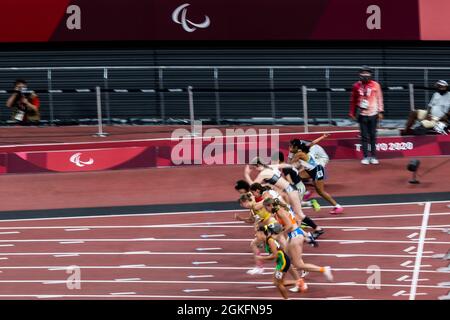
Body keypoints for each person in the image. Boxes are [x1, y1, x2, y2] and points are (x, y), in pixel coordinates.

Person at [263, 198, 333, 284]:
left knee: (299, 265)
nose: (266, 210)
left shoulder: (280, 212)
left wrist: (279, 234)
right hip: (294, 235)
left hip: (294, 236)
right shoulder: (280, 211)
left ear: (270, 205)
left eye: (266, 208)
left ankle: (324, 270)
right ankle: (296, 281)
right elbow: (297, 221)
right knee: (287, 259)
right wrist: (305, 236)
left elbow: (289, 226)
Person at [289, 136, 344, 215]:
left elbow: (289, 165)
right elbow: (313, 142)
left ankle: (338, 206)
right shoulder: (304, 148)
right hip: (309, 170)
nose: (289, 148)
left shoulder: (299, 154)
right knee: (296, 177)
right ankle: (305, 193)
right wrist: (323, 136)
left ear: (296, 147)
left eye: (291, 146)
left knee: (320, 191)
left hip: (317, 170)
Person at [255, 224, 307, 299]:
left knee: (279, 284)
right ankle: (297, 282)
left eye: (257, 233)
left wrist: (262, 258)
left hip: (283, 262)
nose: (255, 235)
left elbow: (275, 256)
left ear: (261, 233)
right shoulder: (266, 240)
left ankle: (287, 297)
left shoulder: (270, 240)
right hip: (281, 262)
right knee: (276, 282)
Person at [349, 66, 384, 165]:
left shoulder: (376, 85)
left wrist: (380, 111)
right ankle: (365, 156)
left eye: (367, 73)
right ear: (360, 75)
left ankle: (373, 156)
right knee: (364, 136)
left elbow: (379, 98)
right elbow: (353, 100)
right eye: (363, 73)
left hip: (373, 114)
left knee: (373, 135)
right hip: (362, 114)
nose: (365, 75)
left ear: (370, 74)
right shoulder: (356, 86)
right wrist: (352, 113)